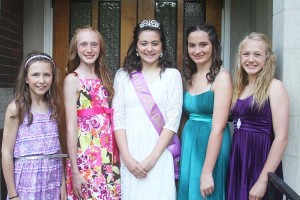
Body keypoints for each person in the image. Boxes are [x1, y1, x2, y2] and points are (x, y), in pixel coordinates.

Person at [112, 19, 183, 200]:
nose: (149, 49)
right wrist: (127, 159)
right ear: (136, 46)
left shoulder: (172, 76)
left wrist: (152, 159)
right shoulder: (123, 76)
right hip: (131, 154)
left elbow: (172, 121)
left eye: (154, 43)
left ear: (162, 47)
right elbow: (118, 120)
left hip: (159, 155)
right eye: (143, 43)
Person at [227, 32, 289, 200]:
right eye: (246, 54)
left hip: (260, 160)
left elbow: (282, 138)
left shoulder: (274, 87)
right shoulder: (239, 88)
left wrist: (263, 180)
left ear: (267, 58)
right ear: (240, 57)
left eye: (257, 54)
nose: (251, 59)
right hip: (239, 159)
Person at [64, 26, 121, 199]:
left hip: (108, 155)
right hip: (85, 156)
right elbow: (71, 126)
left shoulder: (104, 77)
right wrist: (75, 170)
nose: (89, 50)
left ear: (100, 48)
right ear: (76, 48)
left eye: (94, 45)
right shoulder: (72, 80)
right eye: (84, 44)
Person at [177, 22, 232, 200]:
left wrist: (207, 171)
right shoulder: (189, 76)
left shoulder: (222, 77)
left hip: (211, 143)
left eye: (203, 44)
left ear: (213, 46)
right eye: (192, 45)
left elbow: (218, 128)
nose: (197, 50)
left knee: (207, 192)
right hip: (190, 142)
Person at [1, 51, 66, 199]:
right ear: (25, 78)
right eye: (35, 74)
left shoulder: (53, 106)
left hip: (52, 179)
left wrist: (62, 182)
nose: (41, 80)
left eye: (46, 75)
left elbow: (57, 149)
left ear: (53, 77)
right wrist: (12, 195)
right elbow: (6, 153)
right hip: (27, 182)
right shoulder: (16, 108)